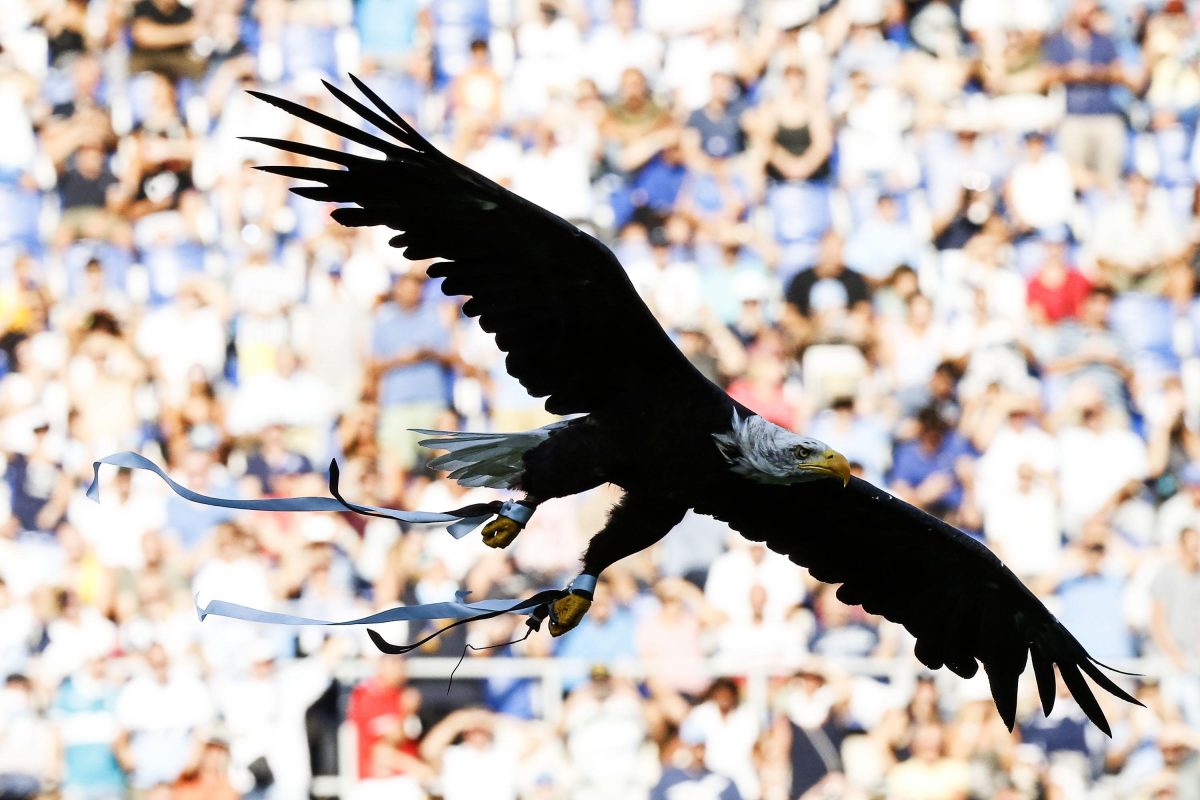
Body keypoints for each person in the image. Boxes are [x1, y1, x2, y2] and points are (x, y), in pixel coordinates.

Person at [1150, 527, 1200, 726]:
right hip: (1171, 661)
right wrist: (1175, 656)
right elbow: (1158, 621)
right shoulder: (1166, 575)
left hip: (1192, 660)